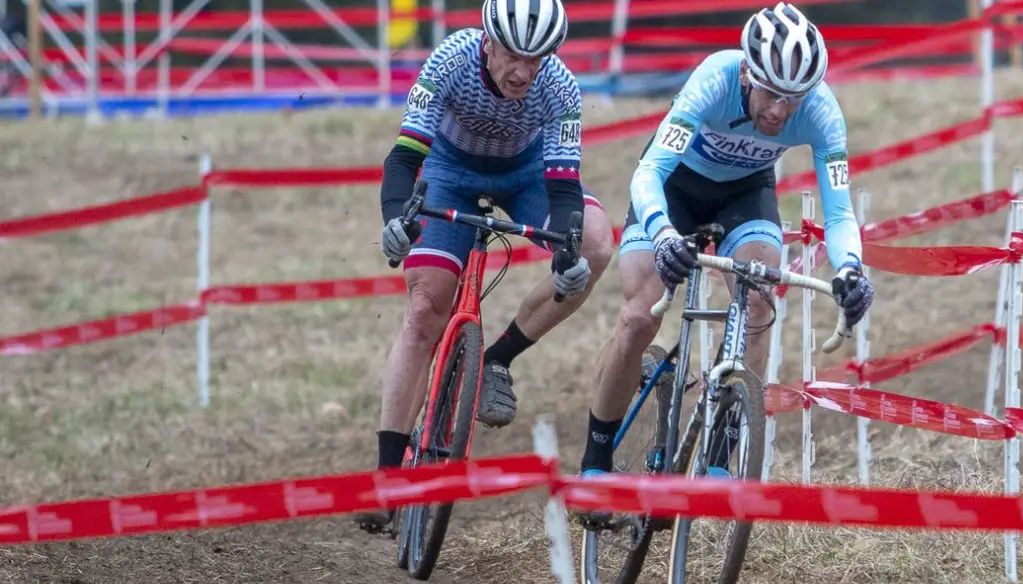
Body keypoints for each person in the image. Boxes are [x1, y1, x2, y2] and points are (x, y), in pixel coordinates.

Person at [576, 2, 874, 491]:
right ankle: (596, 458)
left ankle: (720, 451)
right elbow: (649, 172)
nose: (780, 110)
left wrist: (852, 270)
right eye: (772, 93)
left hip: (745, 193)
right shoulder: (713, 79)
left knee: (759, 298)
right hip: (674, 188)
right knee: (638, 316)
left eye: (794, 97)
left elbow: (839, 214)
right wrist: (664, 234)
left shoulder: (821, 111)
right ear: (747, 73)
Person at [356, 0, 613, 535]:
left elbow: (564, 186)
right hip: (449, 171)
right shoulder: (449, 61)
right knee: (426, 307)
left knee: (595, 243)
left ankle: (498, 357)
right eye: (514, 57)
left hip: (526, 175)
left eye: (537, 59)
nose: (524, 72)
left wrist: (567, 253)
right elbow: (404, 158)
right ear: (488, 43)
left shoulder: (560, 86)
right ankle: (385, 476)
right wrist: (393, 220)